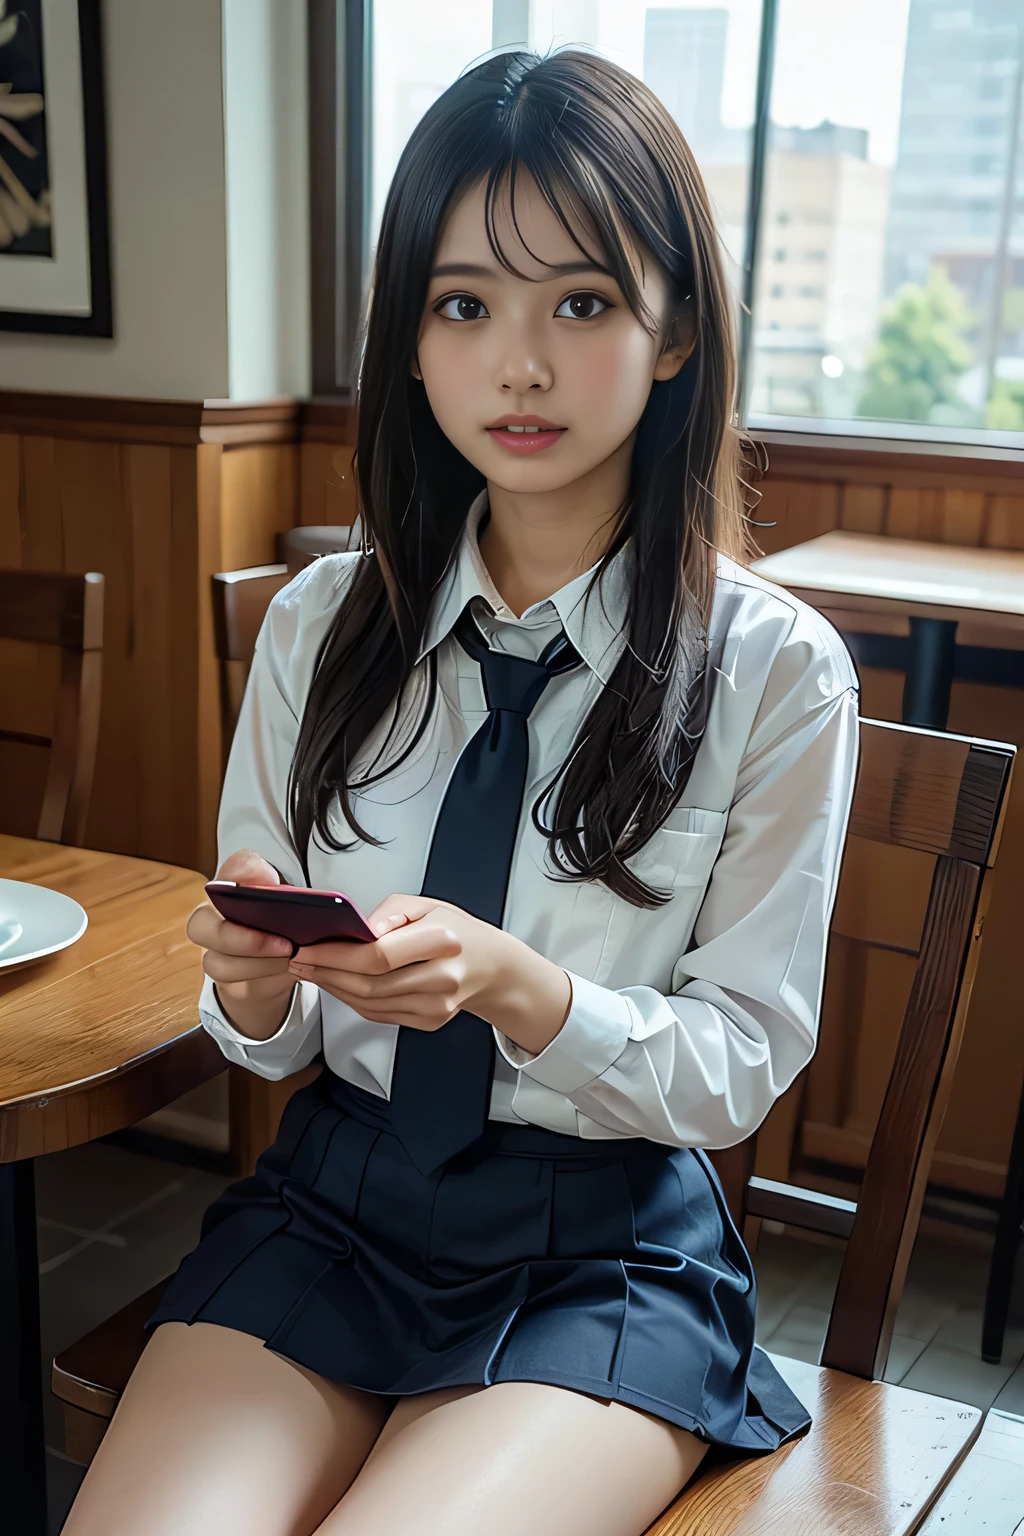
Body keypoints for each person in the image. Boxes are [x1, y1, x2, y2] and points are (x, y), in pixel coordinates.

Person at [65, 48, 858, 1536]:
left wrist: (525, 992)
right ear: (411, 340)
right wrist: (247, 986)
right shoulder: (317, 626)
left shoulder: (775, 672)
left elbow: (744, 1062)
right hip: (338, 1205)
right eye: (464, 304)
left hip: (603, 1244)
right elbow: (282, 1029)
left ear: (676, 327)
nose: (521, 365)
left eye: (583, 302)